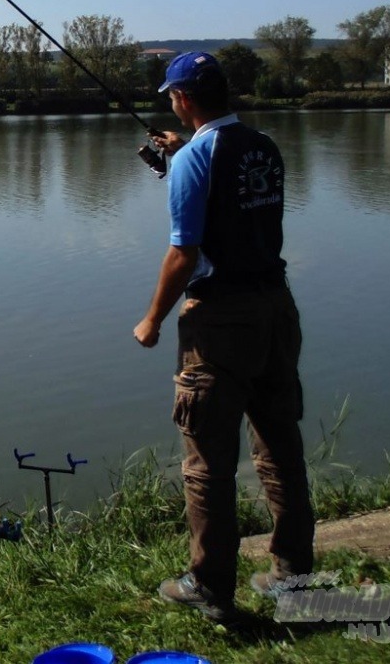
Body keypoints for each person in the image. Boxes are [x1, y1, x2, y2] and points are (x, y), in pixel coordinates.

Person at [133, 51, 314, 621]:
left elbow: (183, 254)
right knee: (280, 447)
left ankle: (209, 585)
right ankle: (294, 574)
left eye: (173, 97)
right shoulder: (263, 146)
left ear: (183, 98)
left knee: (207, 460)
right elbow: (237, 203)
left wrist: (152, 320)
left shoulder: (194, 159)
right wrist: (179, 153)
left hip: (222, 321)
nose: (172, 104)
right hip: (276, 309)